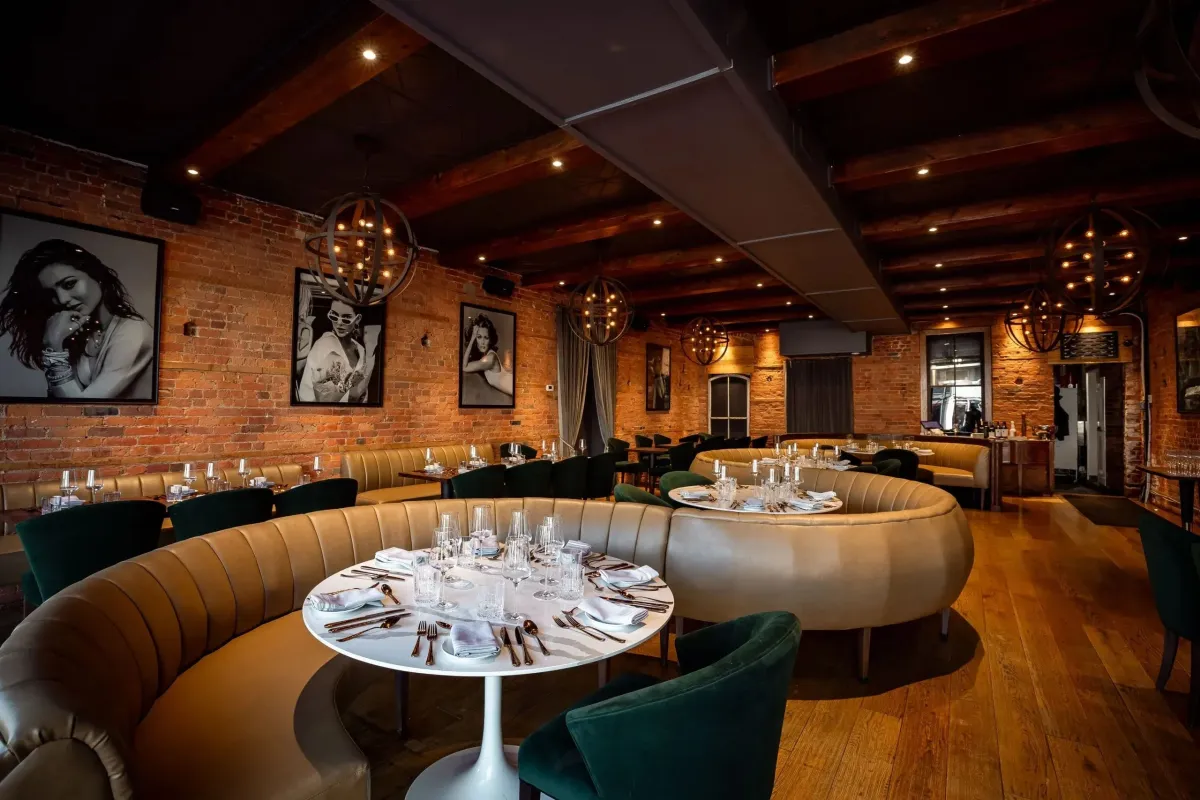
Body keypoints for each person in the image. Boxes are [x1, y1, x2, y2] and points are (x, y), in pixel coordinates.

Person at [0, 238, 154, 399]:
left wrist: (53, 348)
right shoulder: (78, 334)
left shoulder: (134, 331)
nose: (61, 299)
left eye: (69, 284)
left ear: (97, 276)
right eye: (50, 294)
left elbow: (82, 406)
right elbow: (58, 403)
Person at [298, 299, 374, 403]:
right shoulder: (323, 346)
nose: (339, 323)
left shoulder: (360, 350)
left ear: (357, 319)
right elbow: (309, 394)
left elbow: (363, 392)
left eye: (346, 318)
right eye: (334, 316)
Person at [462, 312, 513, 396]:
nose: (482, 342)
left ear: (490, 340)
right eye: (479, 337)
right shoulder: (487, 356)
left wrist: (473, 338)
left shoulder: (490, 358)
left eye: (486, 338)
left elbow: (465, 367)